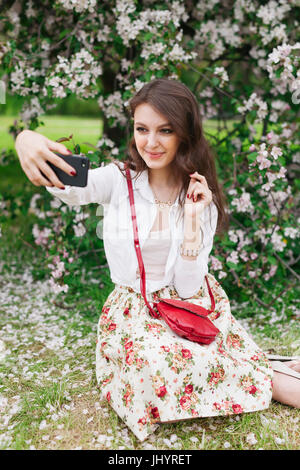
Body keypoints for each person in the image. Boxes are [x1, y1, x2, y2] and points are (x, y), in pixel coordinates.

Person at [15, 78, 300, 442]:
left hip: (187, 304)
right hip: (133, 310)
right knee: (153, 362)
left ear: (184, 134)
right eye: (142, 129)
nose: (150, 142)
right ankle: (263, 369)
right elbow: (69, 184)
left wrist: (194, 220)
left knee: (201, 357)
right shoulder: (119, 181)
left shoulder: (198, 195)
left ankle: (265, 372)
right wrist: (26, 139)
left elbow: (187, 286)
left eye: (165, 130)